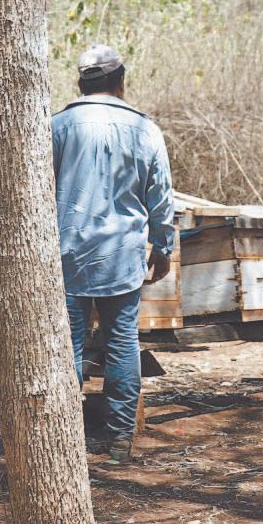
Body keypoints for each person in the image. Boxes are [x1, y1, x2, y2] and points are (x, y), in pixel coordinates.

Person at [52, 44, 175, 461]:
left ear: (80, 84)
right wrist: (163, 246)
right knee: (122, 342)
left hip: (66, 254)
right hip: (122, 255)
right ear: (120, 81)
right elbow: (160, 196)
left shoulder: (57, 126)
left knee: (66, 345)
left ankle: (62, 440)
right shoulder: (144, 129)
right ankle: (120, 439)